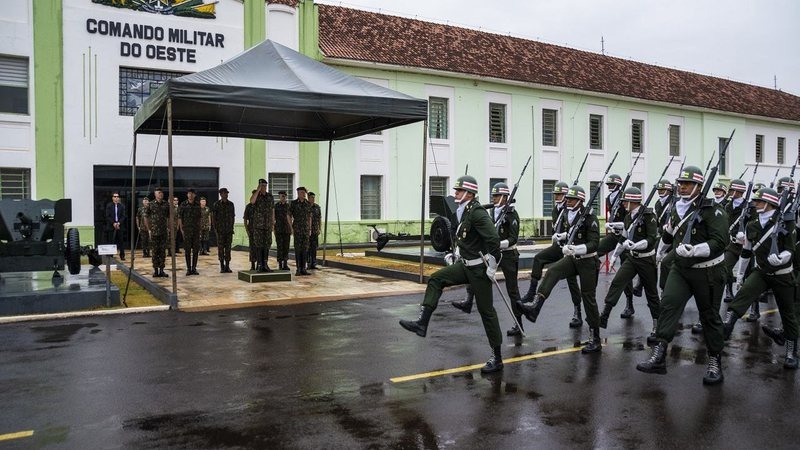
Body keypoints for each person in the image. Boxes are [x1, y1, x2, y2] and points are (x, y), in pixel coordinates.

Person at [399, 175, 504, 373]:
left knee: (486, 312)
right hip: (465, 265)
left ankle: (497, 357)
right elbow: (464, 239)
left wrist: (491, 266)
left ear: (469, 193)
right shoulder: (464, 212)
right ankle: (422, 322)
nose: (455, 193)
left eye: (458, 190)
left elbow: (493, 240)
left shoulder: (478, 213)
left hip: (479, 270)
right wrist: (455, 254)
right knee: (436, 279)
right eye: (455, 190)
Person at [637, 165, 728, 385]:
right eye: (680, 183)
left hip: (708, 271)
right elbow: (669, 233)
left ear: (699, 186)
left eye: (688, 184)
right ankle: (659, 354)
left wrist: (696, 250)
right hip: (681, 268)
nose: (683, 187)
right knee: (668, 305)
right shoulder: (676, 207)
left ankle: (715, 360)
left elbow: (720, 242)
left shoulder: (713, 210)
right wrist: (659, 252)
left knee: (709, 317)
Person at [517, 185, 603, 354]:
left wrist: (575, 249)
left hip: (587, 261)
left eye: (570, 199)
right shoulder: (569, 214)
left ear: (580, 201)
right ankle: (535, 307)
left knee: (588, 298)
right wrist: (562, 237)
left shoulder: (590, 218)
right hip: (573, 259)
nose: (567, 200)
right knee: (552, 271)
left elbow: (594, 244)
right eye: (567, 198)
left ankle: (595, 337)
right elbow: (571, 231)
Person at [722, 187, 798, 369]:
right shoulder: (752, 225)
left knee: (788, 313)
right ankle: (728, 324)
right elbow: (747, 251)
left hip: (782, 274)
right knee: (744, 293)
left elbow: (790, 249)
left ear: (770, 203)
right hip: (762, 271)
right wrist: (740, 274)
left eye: (759, 201)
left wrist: (782, 258)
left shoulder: (786, 223)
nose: (755, 204)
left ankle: (790, 351)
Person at [453, 182, 524, 336]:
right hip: (491, 253)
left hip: (508, 255)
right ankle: (468, 301)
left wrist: (498, 244)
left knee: (512, 291)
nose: (494, 198)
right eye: (493, 195)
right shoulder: (490, 213)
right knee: (474, 273)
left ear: (505, 198)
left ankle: (519, 324)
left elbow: (513, 239)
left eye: (497, 195)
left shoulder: (512, 214)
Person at [599, 187, 660, 344]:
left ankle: (657, 325)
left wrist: (635, 245)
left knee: (651, 293)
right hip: (632, 259)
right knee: (618, 281)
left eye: (626, 201)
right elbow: (623, 238)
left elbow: (652, 239)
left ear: (633, 201)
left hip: (646, 259)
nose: (624, 204)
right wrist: (615, 255)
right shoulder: (628, 217)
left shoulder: (649, 216)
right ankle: (605, 313)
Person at [519, 181, 584, 328]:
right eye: (556, 194)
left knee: (572, 282)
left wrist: (562, 235)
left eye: (560, 194)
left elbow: (575, 230)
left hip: (569, 248)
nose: (557, 197)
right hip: (558, 247)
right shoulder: (556, 210)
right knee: (538, 258)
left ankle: (577, 312)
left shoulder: (571, 210)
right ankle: (531, 293)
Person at [598, 174, 635, 320]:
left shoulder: (624, 198)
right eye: (608, 185)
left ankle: (629, 303)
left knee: (626, 269)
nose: (610, 187)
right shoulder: (609, 199)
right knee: (595, 252)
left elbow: (629, 220)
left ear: (619, 186)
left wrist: (614, 224)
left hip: (625, 236)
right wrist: (612, 225)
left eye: (612, 185)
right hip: (614, 235)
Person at [144, 187, 170, 277]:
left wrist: (168, 227)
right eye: (159, 193)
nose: (161, 194)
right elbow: (146, 217)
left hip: (163, 232)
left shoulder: (166, 204)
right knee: (155, 252)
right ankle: (155, 270)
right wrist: (149, 229)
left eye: (161, 193)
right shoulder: (150, 204)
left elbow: (168, 217)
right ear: (155, 194)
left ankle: (162, 270)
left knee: (162, 251)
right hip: (154, 232)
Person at [250, 179, 275, 272]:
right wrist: (257, 190)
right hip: (259, 225)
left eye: (265, 186)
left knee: (267, 245)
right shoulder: (256, 196)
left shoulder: (270, 196)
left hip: (267, 225)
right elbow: (252, 201)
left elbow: (272, 210)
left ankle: (265, 264)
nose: (264, 187)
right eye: (262, 186)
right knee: (259, 245)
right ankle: (260, 264)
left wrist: (273, 222)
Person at [178, 189, 202, 276]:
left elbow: (199, 218)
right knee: (187, 250)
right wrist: (181, 229)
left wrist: (199, 229)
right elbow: (180, 218)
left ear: (195, 195)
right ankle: (188, 268)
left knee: (196, 250)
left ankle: (194, 268)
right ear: (187, 195)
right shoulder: (183, 204)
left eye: (192, 194)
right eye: (189, 194)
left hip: (195, 230)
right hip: (187, 231)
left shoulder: (197, 204)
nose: (191, 195)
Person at [289, 186, 312, 276]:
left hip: (305, 230)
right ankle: (298, 269)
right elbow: (288, 215)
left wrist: (310, 228)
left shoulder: (307, 204)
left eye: (304, 193)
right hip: (297, 229)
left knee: (305, 249)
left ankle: (304, 268)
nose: (303, 194)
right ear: (298, 193)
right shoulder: (294, 203)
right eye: (301, 193)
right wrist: (291, 227)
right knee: (298, 249)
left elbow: (310, 217)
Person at [212, 187, 235, 273]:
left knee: (228, 248)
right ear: (220, 194)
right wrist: (216, 229)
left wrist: (232, 227)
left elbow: (233, 217)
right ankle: (222, 266)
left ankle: (227, 266)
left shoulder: (231, 204)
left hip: (229, 230)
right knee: (221, 249)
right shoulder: (216, 204)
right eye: (224, 193)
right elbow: (214, 218)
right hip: (220, 231)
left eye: (227, 193)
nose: (226, 194)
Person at [104, 191, 127, 260]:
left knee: (121, 241)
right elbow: (107, 216)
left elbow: (123, 216)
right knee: (111, 241)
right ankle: (110, 256)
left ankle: (122, 256)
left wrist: (118, 223)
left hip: (120, 226)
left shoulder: (122, 206)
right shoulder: (109, 205)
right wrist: (113, 223)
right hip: (111, 226)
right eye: (115, 196)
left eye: (117, 197)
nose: (116, 198)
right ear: (112, 198)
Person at [274, 191, 292, 271]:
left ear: (286, 197)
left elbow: (291, 217)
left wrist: (291, 228)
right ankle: (280, 264)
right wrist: (273, 228)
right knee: (279, 247)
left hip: (287, 229)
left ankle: (285, 263)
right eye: (281, 196)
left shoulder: (289, 206)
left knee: (286, 247)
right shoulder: (276, 206)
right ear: (279, 197)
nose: (283, 197)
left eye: (284, 196)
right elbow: (273, 217)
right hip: (278, 229)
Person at [308, 192, 322, 270]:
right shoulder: (306, 206)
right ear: (308, 198)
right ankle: (308, 262)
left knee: (314, 247)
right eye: (311, 197)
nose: (313, 199)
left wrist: (319, 228)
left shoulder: (317, 207)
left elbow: (319, 218)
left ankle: (314, 263)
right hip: (307, 231)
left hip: (315, 230)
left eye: (313, 197)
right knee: (307, 248)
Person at [244, 190, 257, 271]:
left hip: (261, 230)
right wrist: (247, 230)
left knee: (260, 248)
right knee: (252, 248)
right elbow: (245, 219)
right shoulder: (249, 206)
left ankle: (260, 264)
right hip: (252, 230)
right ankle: (252, 265)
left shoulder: (261, 205)